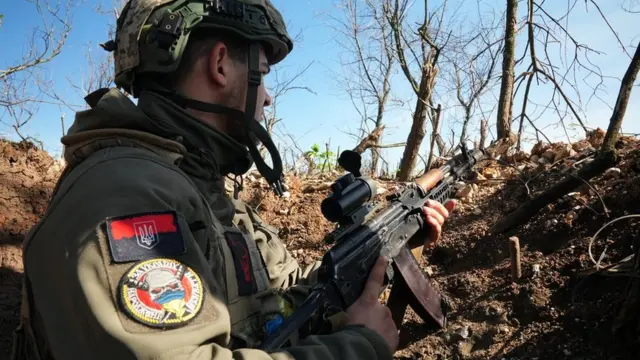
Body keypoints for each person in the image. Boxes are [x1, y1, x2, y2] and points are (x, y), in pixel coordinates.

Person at [11, 1, 455, 359]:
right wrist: (358, 346)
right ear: (221, 64)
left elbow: (284, 299)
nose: (267, 95)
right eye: (262, 70)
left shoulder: (207, 194)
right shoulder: (123, 195)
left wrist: (383, 249)